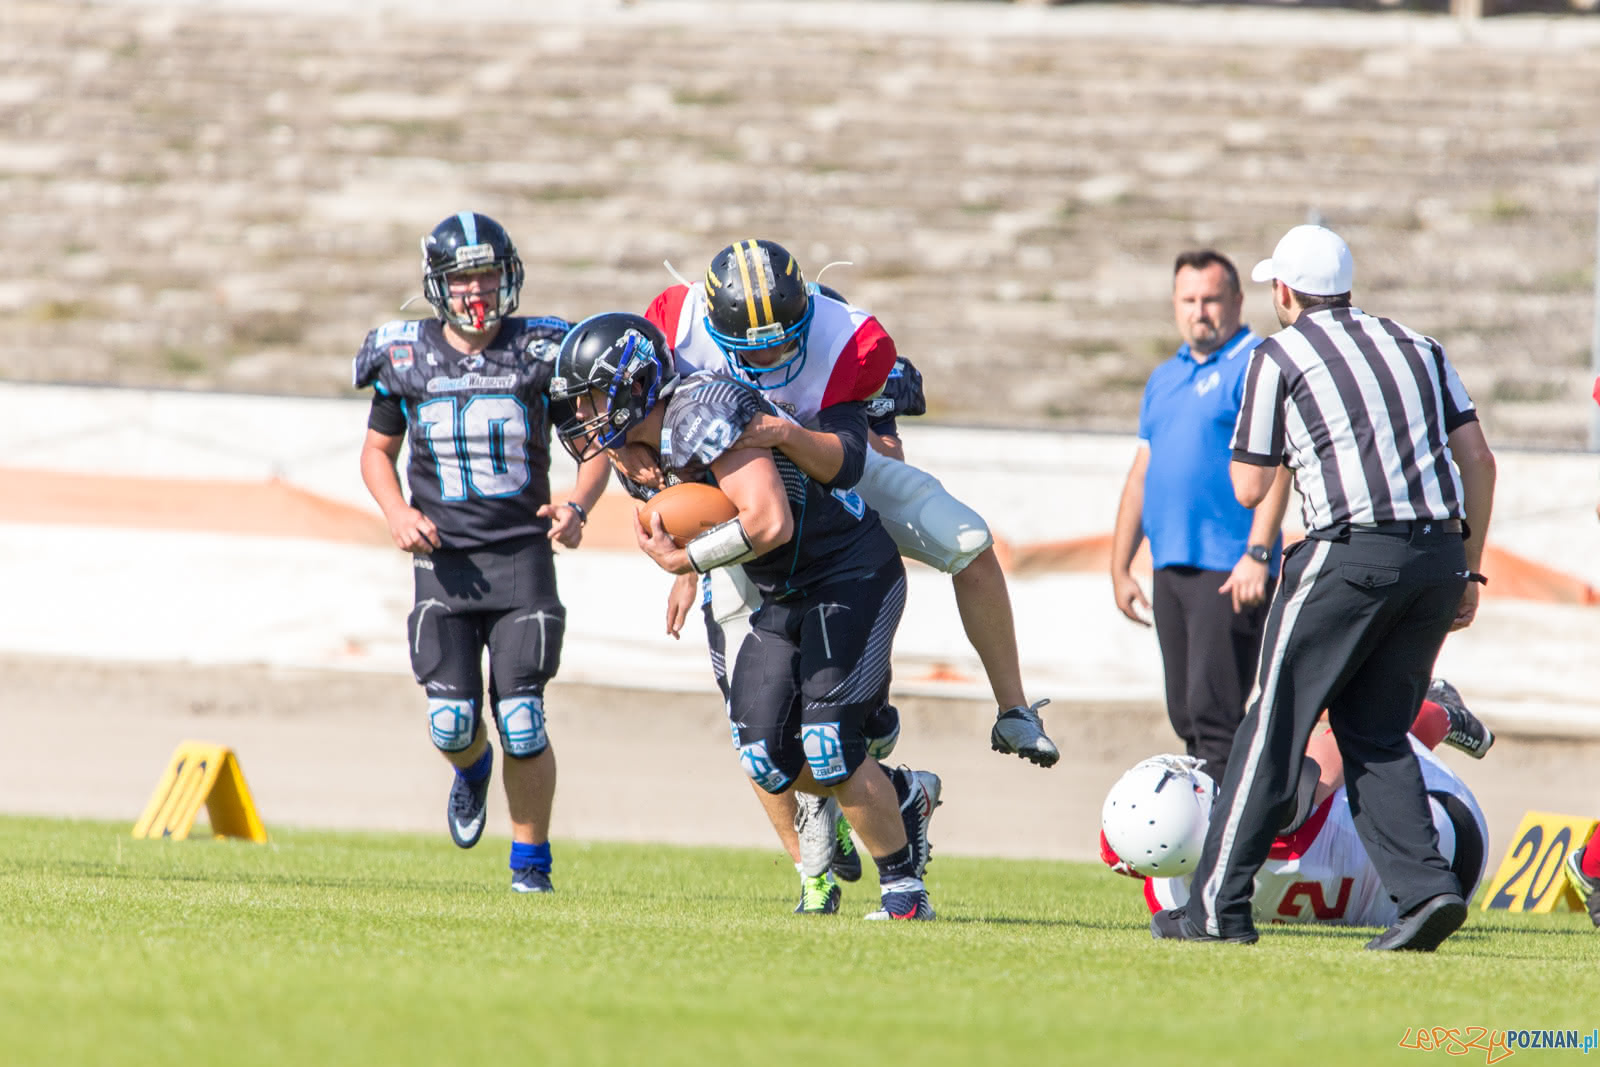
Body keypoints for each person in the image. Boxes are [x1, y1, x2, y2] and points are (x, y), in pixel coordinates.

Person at [1150, 223, 1498, 952]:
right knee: (1374, 727)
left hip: (1348, 552)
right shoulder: (1418, 345)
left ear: (1282, 291)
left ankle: (1217, 907)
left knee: (1272, 724)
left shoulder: (1278, 352)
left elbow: (1249, 484)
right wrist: (1467, 566)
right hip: (1436, 555)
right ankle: (1427, 890)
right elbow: (1479, 461)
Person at [549, 310, 942, 921]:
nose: (582, 416)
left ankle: (903, 892)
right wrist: (685, 555)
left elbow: (768, 521)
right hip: (782, 592)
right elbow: (710, 518)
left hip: (848, 572)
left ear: (633, 384)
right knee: (764, 753)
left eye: (592, 397)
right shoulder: (637, 452)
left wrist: (686, 562)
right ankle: (900, 795)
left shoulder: (703, 410)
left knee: (830, 743)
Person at [644, 239, 1058, 768]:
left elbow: (861, 460)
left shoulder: (847, 340)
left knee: (969, 540)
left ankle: (1012, 708)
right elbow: (639, 434)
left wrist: (784, 435)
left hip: (827, 463)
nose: (769, 359)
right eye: (752, 350)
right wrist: (689, 556)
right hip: (742, 497)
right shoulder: (677, 329)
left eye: (783, 343)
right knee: (756, 717)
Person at [353, 211, 610, 893]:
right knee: (452, 723)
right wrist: (396, 510)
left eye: (487, 275)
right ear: (439, 284)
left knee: (523, 719)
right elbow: (378, 452)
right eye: (463, 279)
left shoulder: (539, 350)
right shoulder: (405, 355)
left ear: (509, 275)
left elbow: (593, 446)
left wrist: (578, 505)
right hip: (445, 564)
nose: (477, 292)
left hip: (522, 557)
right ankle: (471, 769)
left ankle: (531, 865)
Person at [1102, 679, 1492, 930]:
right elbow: (1348, 732)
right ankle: (1446, 714)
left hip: (1415, 909)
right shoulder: (1289, 808)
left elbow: (1128, 844)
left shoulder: (1167, 897)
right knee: (1359, 727)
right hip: (1449, 839)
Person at [1110, 250, 1291, 786]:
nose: (1200, 310)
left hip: (1230, 567)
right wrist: (1120, 567)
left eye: (1211, 298)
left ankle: (1226, 853)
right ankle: (1206, 841)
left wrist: (1258, 553)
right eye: (1188, 300)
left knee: (1216, 720)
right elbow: (1143, 472)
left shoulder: (1257, 363)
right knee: (1186, 715)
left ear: (1237, 300)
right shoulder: (1165, 377)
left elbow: (1280, 463)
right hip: (1172, 565)